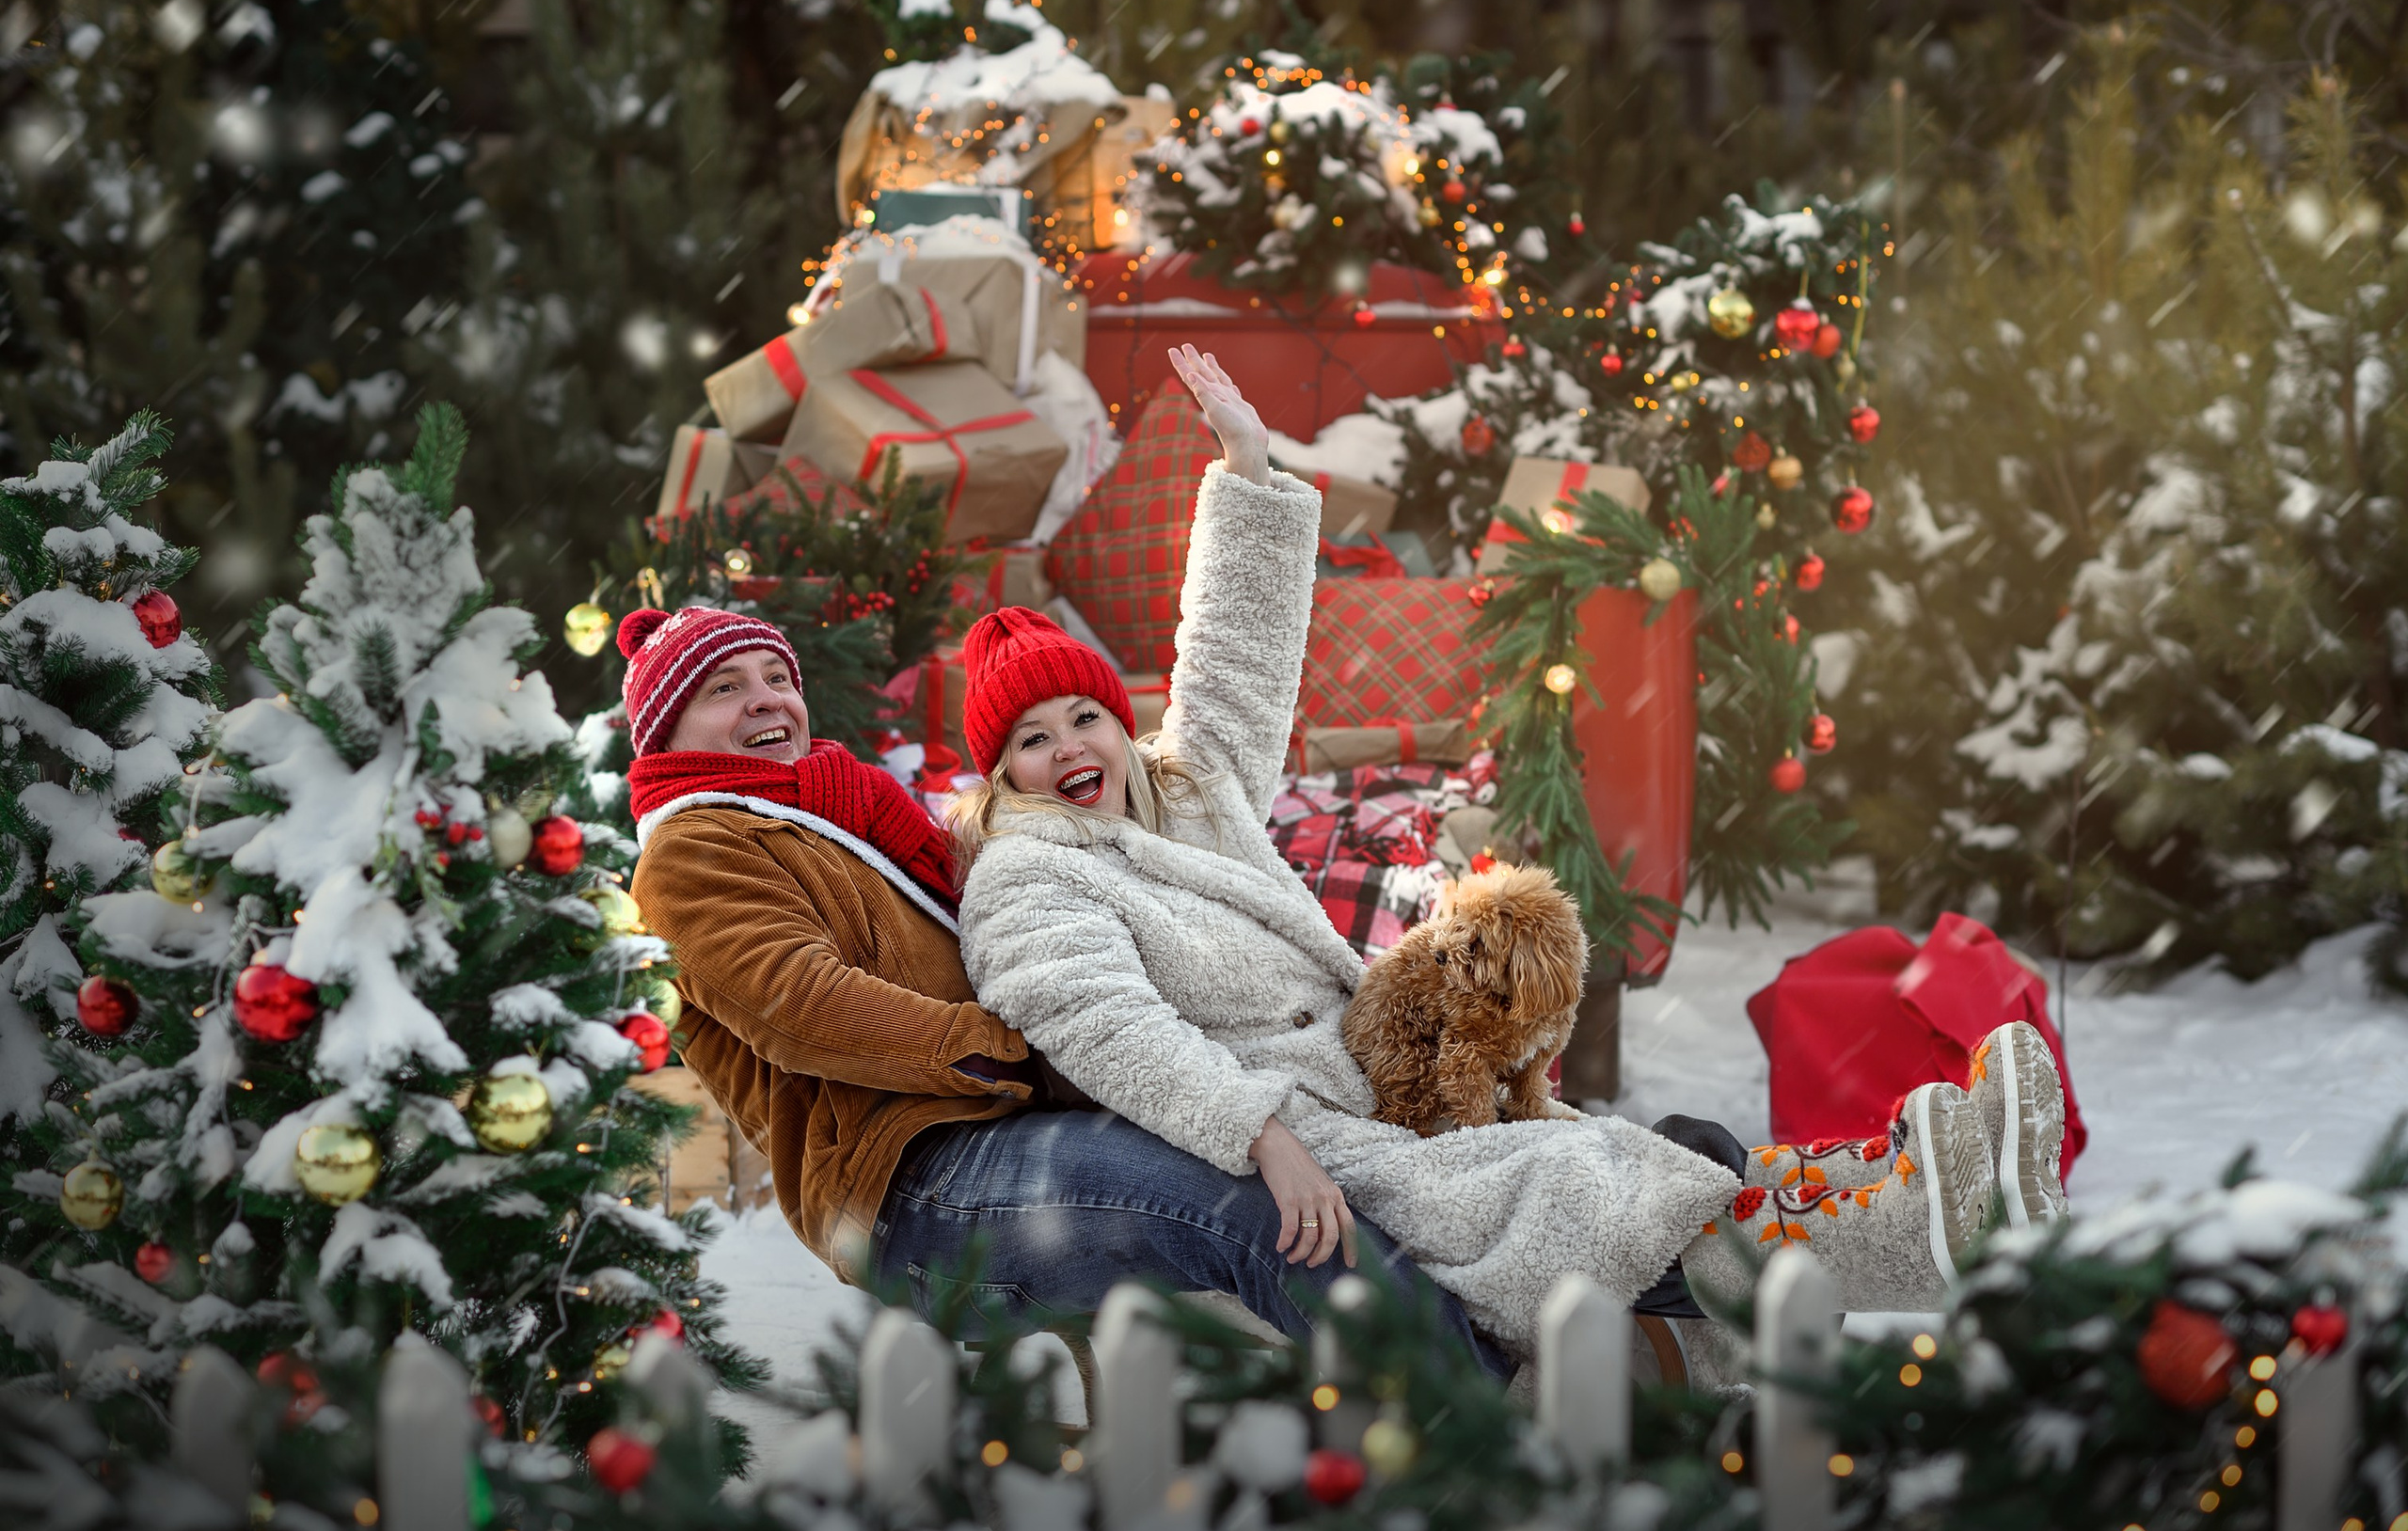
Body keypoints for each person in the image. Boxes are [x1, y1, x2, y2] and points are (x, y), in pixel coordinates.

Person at [950, 345, 2069, 1357]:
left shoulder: (1188, 796)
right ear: (1005, 778)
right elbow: (1111, 1033)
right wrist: (1261, 1136)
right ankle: (1915, 1230)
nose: (1067, 748)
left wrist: (1245, 469)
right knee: (1568, 1184)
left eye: (1082, 718)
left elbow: (1233, 656)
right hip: (1310, 1128)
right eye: (1030, 741)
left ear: (1117, 723)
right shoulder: (1026, 878)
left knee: (1618, 1154)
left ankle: (1896, 1188)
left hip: (1379, 1088)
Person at [620, 569, 1514, 1377]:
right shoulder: (693, 851)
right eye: (724, 689)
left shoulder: (844, 808)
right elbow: (801, 1003)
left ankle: (1510, 1372)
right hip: (909, 1185)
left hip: (1004, 1126)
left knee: (1307, 1159)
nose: (766, 699)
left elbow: (1221, 704)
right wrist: (1017, 1050)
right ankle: (1468, 1429)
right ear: (666, 732)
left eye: (777, 678)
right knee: (1252, 1204)